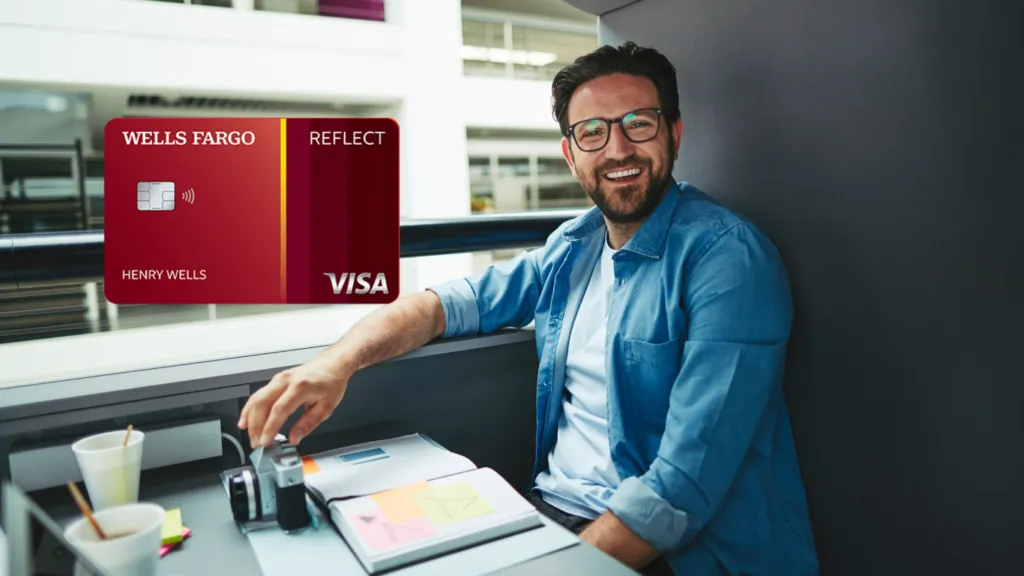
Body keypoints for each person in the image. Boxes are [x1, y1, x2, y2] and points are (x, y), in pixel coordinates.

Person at [239, 42, 819, 576]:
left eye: (638, 124)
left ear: (674, 134)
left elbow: (682, 488)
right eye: (592, 132)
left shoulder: (729, 260)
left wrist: (556, 567)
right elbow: (442, 306)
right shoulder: (573, 247)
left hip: (682, 552)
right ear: (570, 154)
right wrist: (335, 364)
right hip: (552, 513)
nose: (618, 149)